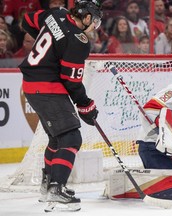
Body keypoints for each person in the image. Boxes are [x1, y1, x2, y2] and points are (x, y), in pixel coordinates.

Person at [18, 0, 101, 210]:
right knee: (71, 137)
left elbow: (27, 20)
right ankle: (56, 188)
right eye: (95, 23)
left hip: (31, 85)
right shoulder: (78, 40)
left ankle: (48, 186)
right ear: (87, 17)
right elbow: (71, 81)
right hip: (48, 87)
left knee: (57, 138)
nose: (93, 29)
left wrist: (51, 44)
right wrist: (86, 105)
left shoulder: (56, 14)